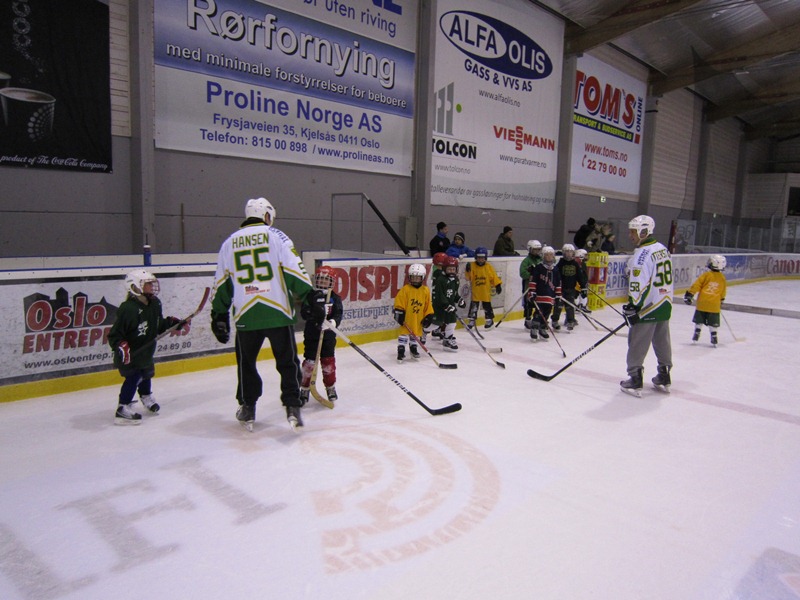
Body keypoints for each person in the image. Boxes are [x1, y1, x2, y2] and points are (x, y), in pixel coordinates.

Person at [210, 197, 326, 431]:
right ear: (266, 215)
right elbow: (294, 270)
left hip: (246, 314)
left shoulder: (229, 243)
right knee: (287, 362)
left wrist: (219, 314)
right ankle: (292, 405)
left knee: (246, 364)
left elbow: (222, 283)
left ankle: (247, 406)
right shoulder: (277, 236)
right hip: (277, 311)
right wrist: (309, 296)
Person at [108, 269, 183, 425]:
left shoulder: (155, 303)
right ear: (135, 286)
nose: (151, 286)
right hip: (130, 354)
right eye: (147, 284)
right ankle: (122, 408)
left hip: (146, 352)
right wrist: (121, 346)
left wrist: (171, 323)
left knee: (146, 373)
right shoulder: (128, 309)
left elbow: (158, 326)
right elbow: (114, 335)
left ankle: (146, 396)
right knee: (134, 377)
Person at [620, 215, 674, 395]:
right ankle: (664, 375)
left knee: (637, 342)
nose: (630, 235)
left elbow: (638, 283)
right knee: (662, 340)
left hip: (646, 307)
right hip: (663, 304)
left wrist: (633, 306)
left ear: (644, 232)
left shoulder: (642, 255)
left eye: (633, 232)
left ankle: (635, 378)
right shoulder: (662, 249)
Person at [299, 266, 344, 404]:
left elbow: (338, 314)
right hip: (312, 333)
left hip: (328, 335)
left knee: (328, 362)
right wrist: (314, 315)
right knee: (309, 362)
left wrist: (332, 322)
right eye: (321, 279)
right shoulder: (310, 296)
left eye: (326, 280)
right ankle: (304, 388)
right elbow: (304, 312)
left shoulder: (335, 298)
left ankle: (330, 387)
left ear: (331, 282)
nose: (323, 282)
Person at [393, 263, 434, 362]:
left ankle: (413, 349)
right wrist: (399, 312)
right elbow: (399, 302)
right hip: (407, 319)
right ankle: (401, 350)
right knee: (403, 334)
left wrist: (428, 316)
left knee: (415, 334)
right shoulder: (405, 290)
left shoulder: (425, 290)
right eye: (413, 277)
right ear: (409, 277)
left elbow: (428, 305)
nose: (415, 280)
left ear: (422, 278)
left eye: (418, 278)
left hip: (418, 318)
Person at [684, 254, 727, 347]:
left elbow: (697, 285)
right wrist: (722, 299)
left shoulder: (706, 275)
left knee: (699, 319)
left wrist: (690, 294)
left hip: (702, 303)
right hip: (714, 305)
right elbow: (723, 290)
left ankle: (697, 332)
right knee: (713, 322)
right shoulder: (722, 278)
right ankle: (714, 336)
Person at [526, 246, 561, 341]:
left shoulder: (556, 269)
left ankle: (542, 328)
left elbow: (558, 283)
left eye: (551, 255)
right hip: (540, 295)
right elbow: (533, 281)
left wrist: (558, 295)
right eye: (547, 255)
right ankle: (534, 328)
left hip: (550, 296)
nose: (549, 257)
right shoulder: (539, 268)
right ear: (543, 256)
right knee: (538, 313)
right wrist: (532, 292)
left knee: (547, 313)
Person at [431, 255, 465, 350]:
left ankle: (447, 339)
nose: (451, 271)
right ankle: (424, 332)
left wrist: (459, 300)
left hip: (450, 306)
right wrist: (446, 305)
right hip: (440, 306)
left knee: (452, 322)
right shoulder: (441, 280)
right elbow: (440, 295)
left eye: (453, 269)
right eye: (449, 269)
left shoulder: (456, 280)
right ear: (445, 269)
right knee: (436, 324)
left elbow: (454, 294)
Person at [465, 246, 502, 329]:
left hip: (485, 291)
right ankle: (471, 320)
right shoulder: (472, 266)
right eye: (479, 258)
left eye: (482, 258)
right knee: (474, 306)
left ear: (485, 258)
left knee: (487, 306)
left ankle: (489, 320)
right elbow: (469, 278)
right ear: (476, 257)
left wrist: (497, 285)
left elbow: (493, 277)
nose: (481, 260)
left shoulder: (488, 267)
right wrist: (468, 270)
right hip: (476, 291)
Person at [552, 243, 587, 331]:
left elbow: (579, 276)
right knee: (558, 306)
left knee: (570, 306)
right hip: (561, 289)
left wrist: (583, 287)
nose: (568, 254)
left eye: (570, 252)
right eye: (567, 252)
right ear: (563, 253)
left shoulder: (575, 264)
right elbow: (556, 276)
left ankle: (570, 321)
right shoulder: (560, 264)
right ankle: (555, 320)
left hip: (571, 289)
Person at [519, 240, 543, 328]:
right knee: (528, 303)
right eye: (535, 250)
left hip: (539, 285)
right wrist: (531, 275)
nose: (537, 252)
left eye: (538, 250)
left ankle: (537, 319)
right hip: (528, 286)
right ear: (530, 249)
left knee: (539, 302)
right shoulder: (526, 261)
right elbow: (522, 273)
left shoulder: (541, 260)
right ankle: (528, 319)